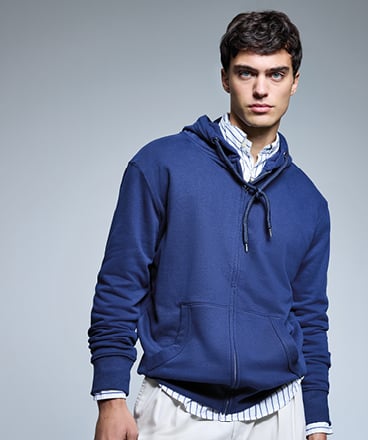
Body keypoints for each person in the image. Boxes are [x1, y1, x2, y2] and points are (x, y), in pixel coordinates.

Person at [89, 10, 332, 440]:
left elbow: (309, 317)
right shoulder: (161, 164)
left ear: (295, 82)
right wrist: (110, 395)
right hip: (176, 405)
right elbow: (120, 282)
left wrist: (316, 421)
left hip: (279, 413)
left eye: (276, 74)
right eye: (246, 73)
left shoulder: (308, 202)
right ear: (225, 78)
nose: (261, 89)